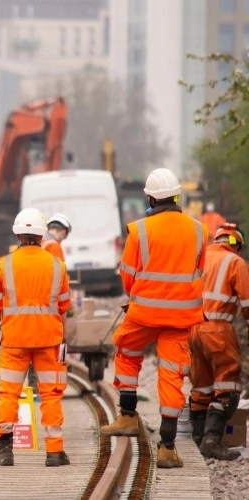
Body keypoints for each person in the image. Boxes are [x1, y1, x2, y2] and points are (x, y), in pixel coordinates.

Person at [100, 167, 208, 469]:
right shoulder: (199, 230)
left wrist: (141, 296)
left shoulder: (140, 230)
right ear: (177, 196)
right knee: (172, 373)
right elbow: (200, 272)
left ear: (150, 198)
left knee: (126, 349)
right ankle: (168, 446)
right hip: (183, 317)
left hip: (144, 314)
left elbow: (128, 277)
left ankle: (128, 416)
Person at [0, 207, 72, 467]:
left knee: (9, 393)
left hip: (14, 339)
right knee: (51, 394)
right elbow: (64, 304)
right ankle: (55, 453)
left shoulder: (4, 264)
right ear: (41, 235)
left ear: (17, 235)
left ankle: (5, 452)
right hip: (49, 339)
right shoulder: (56, 265)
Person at [189, 223, 249, 461]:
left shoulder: (200, 258)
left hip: (192, 328)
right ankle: (212, 440)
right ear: (237, 244)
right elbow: (247, 304)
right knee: (228, 385)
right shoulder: (235, 262)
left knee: (201, 385)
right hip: (218, 328)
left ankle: (196, 440)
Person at [28, 212, 72, 390]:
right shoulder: (54, 246)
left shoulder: (37, 243)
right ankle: (52, 385)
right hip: (48, 305)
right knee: (54, 347)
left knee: (33, 348)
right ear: (62, 232)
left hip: (30, 302)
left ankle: (33, 384)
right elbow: (59, 279)